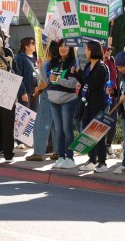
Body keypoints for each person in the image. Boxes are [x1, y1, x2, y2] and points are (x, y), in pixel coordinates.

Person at [71, 40, 110, 173]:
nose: (85, 52)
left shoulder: (101, 67)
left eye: (87, 49)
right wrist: (77, 74)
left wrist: (82, 74)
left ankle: (102, 162)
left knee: (97, 135)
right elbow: (85, 83)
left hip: (97, 104)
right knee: (88, 133)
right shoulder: (88, 65)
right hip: (85, 103)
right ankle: (92, 160)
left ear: (93, 50)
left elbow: (94, 85)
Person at [46, 40, 79, 169]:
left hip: (67, 101)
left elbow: (72, 83)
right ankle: (61, 157)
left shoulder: (74, 63)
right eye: (61, 46)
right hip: (53, 101)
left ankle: (70, 158)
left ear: (71, 49)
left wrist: (58, 79)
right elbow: (45, 80)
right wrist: (41, 68)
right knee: (58, 130)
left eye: (66, 46)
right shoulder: (54, 62)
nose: (63, 48)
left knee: (67, 130)